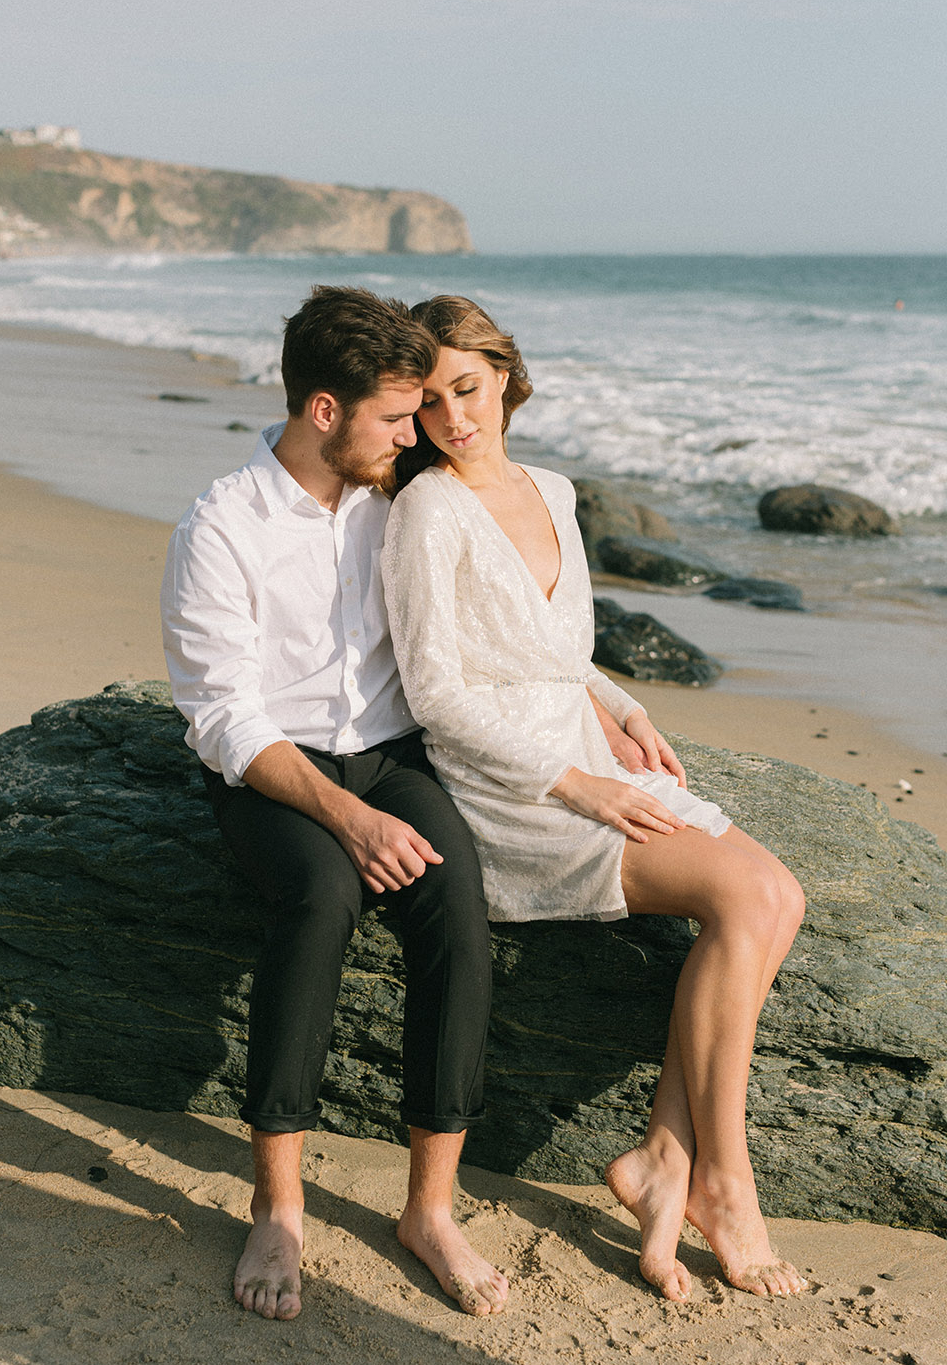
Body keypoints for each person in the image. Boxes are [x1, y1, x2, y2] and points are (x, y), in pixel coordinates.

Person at [382, 295, 808, 1302]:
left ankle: (664, 1157)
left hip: (581, 749)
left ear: (507, 379)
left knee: (777, 897)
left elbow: (561, 651)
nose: (455, 417)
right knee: (747, 898)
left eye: (470, 389)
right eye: (433, 400)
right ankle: (725, 1187)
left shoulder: (556, 490)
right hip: (511, 791)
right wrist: (578, 784)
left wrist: (623, 707)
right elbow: (434, 693)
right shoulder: (425, 509)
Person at [160, 286, 508, 1321]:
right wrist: (348, 822)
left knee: (458, 908)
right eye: (395, 416)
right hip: (272, 771)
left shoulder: (398, 497)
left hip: (393, 758)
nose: (415, 434)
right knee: (319, 903)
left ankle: (429, 1210)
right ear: (323, 410)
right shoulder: (222, 523)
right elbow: (224, 718)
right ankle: (278, 1205)